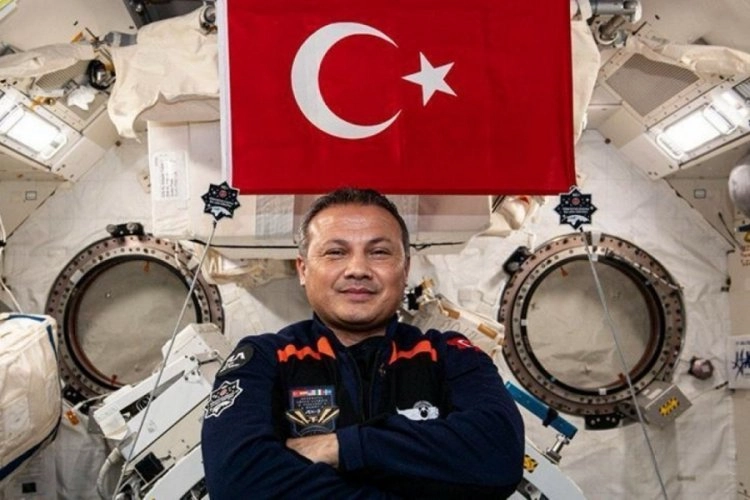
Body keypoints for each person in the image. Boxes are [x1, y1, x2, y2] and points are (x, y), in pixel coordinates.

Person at [201, 187, 524, 499]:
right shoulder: (264, 359)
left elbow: (499, 455)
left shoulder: (450, 355)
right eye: (335, 252)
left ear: (405, 269)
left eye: (379, 252)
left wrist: (343, 447)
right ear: (303, 269)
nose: (357, 269)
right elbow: (238, 483)